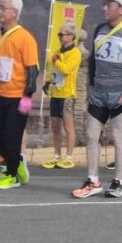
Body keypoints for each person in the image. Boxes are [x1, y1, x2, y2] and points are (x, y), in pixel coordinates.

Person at [72, 0, 122, 200]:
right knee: (91, 135)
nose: (104, 8)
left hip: (119, 93)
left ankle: (118, 181)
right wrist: (90, 85)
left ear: (121, 9)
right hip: (98, 92)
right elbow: (93, 59)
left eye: (109, 5)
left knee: (117, 136)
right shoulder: (99, 29)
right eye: (104, 4)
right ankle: (92, 179)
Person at [0, 0, 41, 190]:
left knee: (12, 136)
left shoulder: (25, 38)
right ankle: (16, 160)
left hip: (17, 95)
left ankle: (12, 175)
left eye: (3, 8)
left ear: (15, 12)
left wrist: (28, 96)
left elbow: (32, 69)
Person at [42, 24, 83, 170]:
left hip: (67, 95)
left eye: (62, 34)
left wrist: (57, 60)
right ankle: (57, 155)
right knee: (55, 126)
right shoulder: (57, 52)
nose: (60, 37)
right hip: (55, 93)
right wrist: (47, 81)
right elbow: (52, 69)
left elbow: (66, 69)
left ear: (71, 36)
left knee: (68, 126)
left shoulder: (75, 53)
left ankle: (69, 157)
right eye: (59, 34)